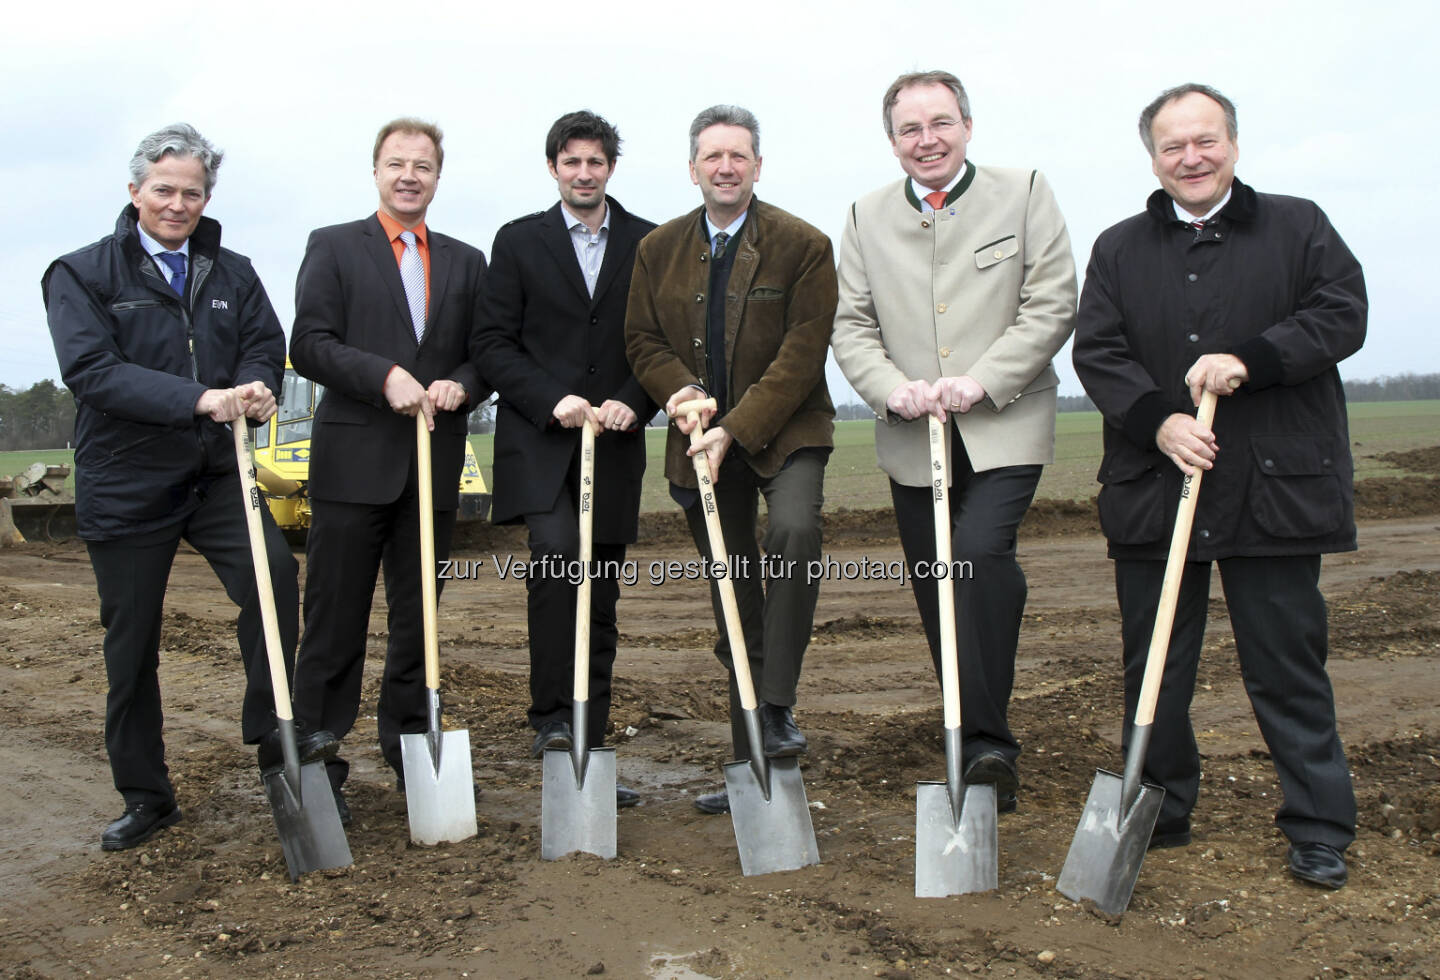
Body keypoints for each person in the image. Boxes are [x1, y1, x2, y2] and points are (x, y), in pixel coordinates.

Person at [1072, 83, 1365, 889]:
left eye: (1205, 142)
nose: (1191, 158)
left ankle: (1317, 825)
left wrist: (1253, 357)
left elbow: (1343, 314)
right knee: (1155, 661)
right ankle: (1159, 806)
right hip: (1153, 485)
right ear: (1154, 157)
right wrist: (1160, 421)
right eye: (1174, 147)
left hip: (1273, 491)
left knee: (1286, 662)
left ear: (1233, 144)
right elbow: (1097, 353)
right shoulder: (1120, 248)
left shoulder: (1298, 226)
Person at [42, 123, 336, 851]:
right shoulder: (81, 273)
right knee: (131, 644)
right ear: (135, 189)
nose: (177, 204)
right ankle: (146, 795)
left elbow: (267, 344)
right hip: (126, 479)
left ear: (207, 198)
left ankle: (278, 746)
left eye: (192, 193)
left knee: (272, 579)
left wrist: (261, 385)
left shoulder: (231, 272)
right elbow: (92, 372)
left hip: (215, 472)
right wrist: (198, 398)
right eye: (164, 189)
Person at [831, 71, 1077, 812]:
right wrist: (888, 388)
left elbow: (1052, 299)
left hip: (1005, 424)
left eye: (940, 123)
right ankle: (976, 736)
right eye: (910, 129)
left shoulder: (1024, 191)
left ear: (967, 126)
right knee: (939, 587)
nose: (927, 139)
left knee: (976, 557)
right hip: (914, 438)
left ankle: (987, 744)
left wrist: (984, 378)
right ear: (893, 141)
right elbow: (852, 325)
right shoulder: (865, 216)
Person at [626, 105, 837, 815]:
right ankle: (754, 756)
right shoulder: (657, 250)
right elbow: (642, 340)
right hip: (696, 441)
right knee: (734, 593)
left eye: (738, 156)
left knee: (796, 534)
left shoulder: (802, 245)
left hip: (787, 431)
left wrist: (736, 428)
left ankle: (775, 706)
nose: (725, 167)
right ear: (693, 168)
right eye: (712, 156)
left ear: (757, 166)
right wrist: (682, 394)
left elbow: (804, 352)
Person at [289, 118, 488, 822]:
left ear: (439, 176)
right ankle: (320, 765)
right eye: (397, 163)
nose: (410, 175)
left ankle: (414, 759)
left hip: (431, 470)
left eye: (424, 165)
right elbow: (309, 343)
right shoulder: (335, 247)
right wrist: (385, 377)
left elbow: (483, 352)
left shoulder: (466, 262)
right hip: (351, 468)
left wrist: (463, 383)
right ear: (376, 171)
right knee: (334, 623)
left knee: (418, 628)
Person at [474, 111, 655, 806]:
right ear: (553, 167)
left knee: (599, 595)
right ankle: (551, 720)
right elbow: (493, 342)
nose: (584, 173)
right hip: (542, 443)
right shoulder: (519, 242)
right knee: (555, 565)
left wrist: (633, 400)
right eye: (572, 162)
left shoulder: (647, 242)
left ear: (611, 168)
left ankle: (590, 738)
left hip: (613, 444)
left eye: (596, 162)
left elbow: (659, 340)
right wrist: (553, 399)